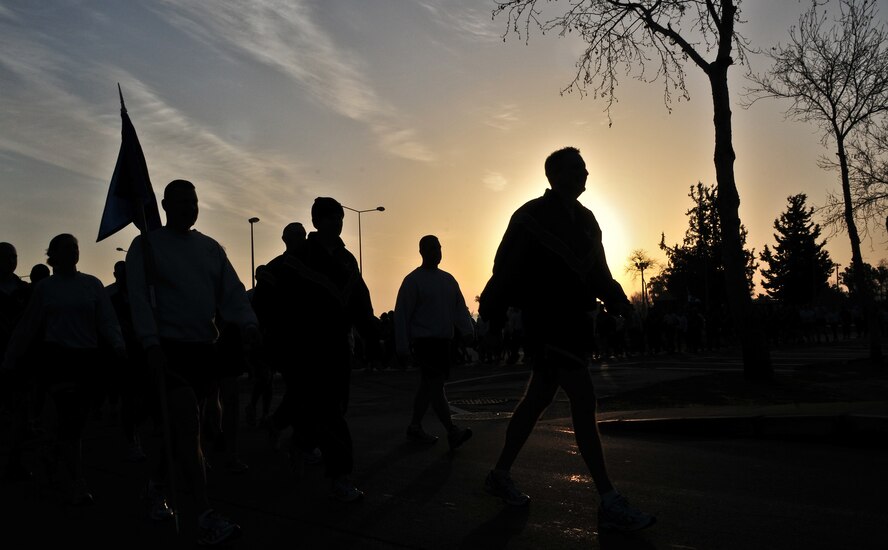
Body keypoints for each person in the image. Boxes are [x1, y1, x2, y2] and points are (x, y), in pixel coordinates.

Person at [479, 147, 655, 532]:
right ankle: (608, 498)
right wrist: (490, 319)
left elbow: (600, 273)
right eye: (579, 169)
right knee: (583, 397)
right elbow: (504, 269)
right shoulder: (529, 217)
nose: (587, 173)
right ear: (557, 175)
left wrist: (620, 302)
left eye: (586, 167)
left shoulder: (590, 221)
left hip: (576, 324)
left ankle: (499, 473)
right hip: (545, 321)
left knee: (538, 399)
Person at [126, 179, 260, 545]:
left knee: (181, 432)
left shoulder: (209, 248)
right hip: (166, 351)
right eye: (181, 202)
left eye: (194, 201)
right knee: (187, 426)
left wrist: (247, 323)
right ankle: (203, 513)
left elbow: (231, 291)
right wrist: (150, 342)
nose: (189, 207)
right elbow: (137, 297)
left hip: (203, 350)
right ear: (165, 205)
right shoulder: (146, 246)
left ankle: (156, 487)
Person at [253, 200, 380, 502]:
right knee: (329, 411)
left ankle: (300, 442)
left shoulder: (348, 260)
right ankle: (340, 476)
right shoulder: (297, 258)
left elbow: (360, 303)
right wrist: (271, 338)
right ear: (316, 220)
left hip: (337, 347)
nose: (336, 222)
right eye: (330, 217)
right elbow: (266, 299)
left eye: (340, 218)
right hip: (304, 349)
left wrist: (371, 337)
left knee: (330, 406)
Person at [2, 234, 126, 504]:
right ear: (53, 255)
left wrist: (118, 346)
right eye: (67, 248)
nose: (73, 252)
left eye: (76, 248)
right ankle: (77, 480)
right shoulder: (45, 289)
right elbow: (28, 326)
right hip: (57, 360)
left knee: (75, 423)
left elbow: (107, 320)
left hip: (85, 361)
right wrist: (11, 357)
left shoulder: (92, 285)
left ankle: (52, 458)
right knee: (69, 422)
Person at [394, 235, 474, 449]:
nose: (436, 252)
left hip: (443, 343)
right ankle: (452, 430)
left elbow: (459, 308)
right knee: (435, 386)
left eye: (438, 248)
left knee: (428, 387)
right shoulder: (413, 281)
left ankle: (415, 427)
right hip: (424, 343)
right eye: (431, 248)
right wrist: (402, 346)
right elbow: (402, 315)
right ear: (421, 251)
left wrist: (467, 331)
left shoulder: (448, 280)